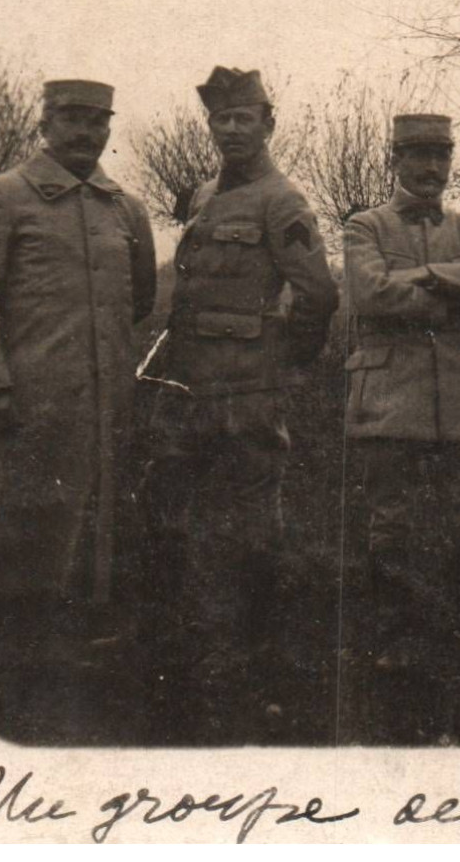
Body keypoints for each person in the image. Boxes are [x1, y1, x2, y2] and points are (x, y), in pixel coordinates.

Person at [137, 67, 339, 702]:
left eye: (242, 118)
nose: (230, 130)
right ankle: (180, 639)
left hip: (249, 392)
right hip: (191, 385)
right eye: (221, 119)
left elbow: (317, 293)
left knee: (253, 520)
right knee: (170, 507)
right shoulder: (202, 197)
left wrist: (286, 365)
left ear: (268, 124)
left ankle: (260, 648)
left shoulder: (284, 202)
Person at [0, 78, 156, 667]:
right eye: (72, 118)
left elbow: (138, 300)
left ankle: (69, 645)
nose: (87, 132)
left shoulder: (126, 209)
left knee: (86, 533)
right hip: (20, 402)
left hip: (100, 403)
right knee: (2, 532)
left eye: (98, 120)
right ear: (45, 122)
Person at [342, 113, 460, 680]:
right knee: (390, 520)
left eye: (440, 156)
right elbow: (370, 295)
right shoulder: (363, 226)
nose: (430, 168)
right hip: (390, 393)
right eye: (417, 156)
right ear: (394, 161)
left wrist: (429, 278)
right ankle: (395, 636)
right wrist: (455, 283)